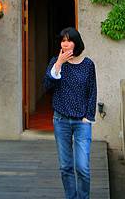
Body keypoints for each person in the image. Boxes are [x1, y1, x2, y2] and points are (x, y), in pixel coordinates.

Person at [43, 27, 97, 199]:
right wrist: (59, 63)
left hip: (82, 121)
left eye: (69, 40)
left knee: (83, 167)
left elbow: (92, 92)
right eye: (63, 41)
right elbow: (47, 86)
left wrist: (88, 117)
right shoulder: (55, 62)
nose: (65, 44)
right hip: (61, 120)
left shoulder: (88, 64)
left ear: (76, 43)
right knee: (65, 167)